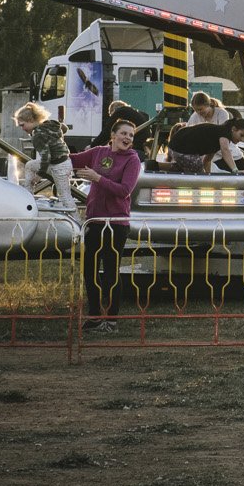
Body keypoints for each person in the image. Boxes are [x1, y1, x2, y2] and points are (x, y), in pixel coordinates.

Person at [70, 120, 143, 333]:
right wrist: (53, 148)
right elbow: (71, 160)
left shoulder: (132, 160)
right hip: (93, 221)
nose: (128, 138)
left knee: (111, 271)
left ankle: (111, 320)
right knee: (90, 270)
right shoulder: (98, 152)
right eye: (123, 133)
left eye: (131, 135)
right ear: (113, 135)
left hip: (115, 224)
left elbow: (124, 190)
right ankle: (94, 316)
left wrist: (97, 178)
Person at [15, 103, 72, 202]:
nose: (22, 128)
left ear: (31, 120)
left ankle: (27, 198)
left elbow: (46, 157)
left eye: (23, 125)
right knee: (30, 165)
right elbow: (64, 128)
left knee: (64, 196)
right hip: (65, 162)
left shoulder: (37, 136)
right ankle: (28, 195)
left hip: (58, 166)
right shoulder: (50, 125)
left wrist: (38, 176)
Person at [167, 112, 244, 174]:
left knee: (183, 167)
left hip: (174, 147)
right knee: (197, 171)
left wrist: (208, 175)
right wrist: (235, 170)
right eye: (241, 135)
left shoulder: (215, 138)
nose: (242, 139)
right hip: (179, 147)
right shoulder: (224, 132)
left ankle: (157, 165)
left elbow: (207, 160)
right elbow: (225, 150)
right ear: (233, 129)